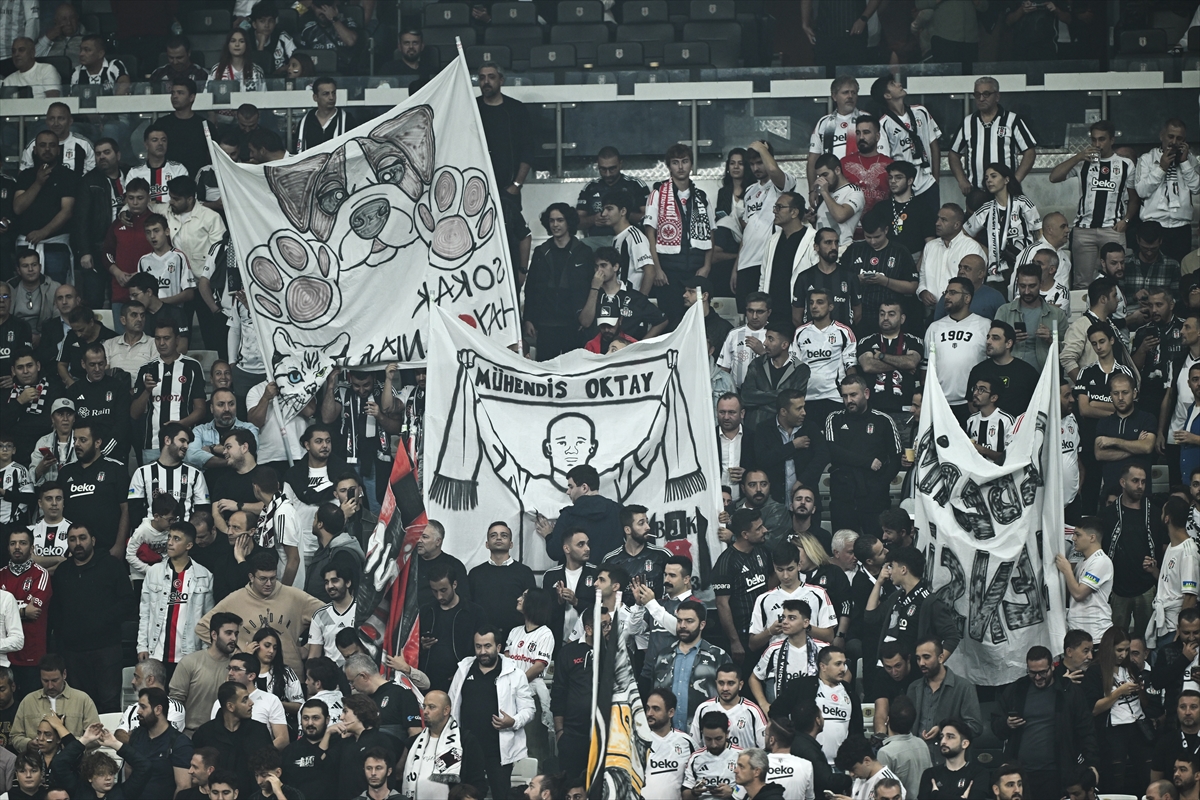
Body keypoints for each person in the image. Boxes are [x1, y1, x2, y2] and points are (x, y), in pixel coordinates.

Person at [992, 645, 1099, 799]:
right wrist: (1006, 724)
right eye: (1032, 673)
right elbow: (996, 724)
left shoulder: (1068, 691)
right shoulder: (1017, 689)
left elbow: (1086, 729)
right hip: (1021, 773)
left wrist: (1091, 763)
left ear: (1053, 667)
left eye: (1042, 672)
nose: (1037, 677)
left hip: (1058, 772)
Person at [49, 520, 133, 712]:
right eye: (72, 539)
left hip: (106, 649)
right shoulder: (62, 571)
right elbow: (56, 611)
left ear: (93, 540)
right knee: (78, 705)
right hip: (73, 652)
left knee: (108, 703)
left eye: (82, 538)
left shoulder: (111, 565)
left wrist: (102, 621)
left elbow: (127, 602)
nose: (78, 543)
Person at [447, 628, 535, 800]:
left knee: (501, 795)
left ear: (498, 647)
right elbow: (451, 703)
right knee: (464, 795)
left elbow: (529, 709)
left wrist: (513, 721)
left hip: (498, 750)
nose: (482, 651)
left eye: (487, 646)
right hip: (466, 747)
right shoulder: (464, 669)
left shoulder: (515, 673)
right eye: (478, 646)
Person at [1049, 120, 1138, 284]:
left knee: (1116, 278)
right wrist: (1078, 156)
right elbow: (1054, 177)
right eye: (1094, 139)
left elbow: (1134, 198)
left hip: (1112, 229)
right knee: (1082, 281)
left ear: (1112, 140)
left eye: (1102, 139)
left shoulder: (1126, 165)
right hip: (1084, 230)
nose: (1097, 144)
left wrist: (1126, 221)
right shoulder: (1083, 162)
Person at [645, 143, 715, 326]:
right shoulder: (657, 194)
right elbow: (650, 233)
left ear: (691, 164)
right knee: (672, 321)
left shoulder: (701, 197)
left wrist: (707, 266)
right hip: (668, 272)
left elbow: (710, 232)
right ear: (669, 166)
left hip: (696, 269)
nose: (681, 167)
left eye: (685, 161)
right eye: (675, 162)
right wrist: (657, 269)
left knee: (697, 322)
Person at [476, 61, 534, 277]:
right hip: (478, 192)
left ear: (501, 80)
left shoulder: (516, 109)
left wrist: (516, 185)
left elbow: (527, 150)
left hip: (508, 191)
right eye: (482, 77)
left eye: (491, 77)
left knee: (510, 243)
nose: (486, 82)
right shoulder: (472, 108)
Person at [825, 374, 901, 536]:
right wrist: (867, 462)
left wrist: (880, 485)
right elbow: (832, 451)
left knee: (876, 544)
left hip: (875, 498)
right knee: (843, 545)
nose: (849, 400)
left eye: (853, 395)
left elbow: (896, 458)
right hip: (843, 496)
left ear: (866, 393)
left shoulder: (884, 421)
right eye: (845, 396)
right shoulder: (834, 419)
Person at [137, 521, 214, 681]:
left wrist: (206, 653)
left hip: (188, 654)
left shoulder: (204, 576)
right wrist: (142, 646)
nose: (170, 542)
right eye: (169, 537)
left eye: (176, 539)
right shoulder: (154, 572)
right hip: (156, 652)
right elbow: (145, 613)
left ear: (189, 545)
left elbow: (207, 619)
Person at [1080, 626, 1150, 795]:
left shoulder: (1130, 667)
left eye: (1126, 650)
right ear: (1108, 648)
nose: (1123, 654)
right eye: (1119, 650)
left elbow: (1146, 702)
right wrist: (1119, 692)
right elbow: (1093, 709)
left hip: (1138, 725)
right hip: (1113, 730)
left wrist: (1140, 689)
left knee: (1145, 775)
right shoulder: (1095, 671)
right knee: (1116, 780)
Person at [522, 203, 593, 360]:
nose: (555, 225)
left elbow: (591, 288)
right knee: (546, 369)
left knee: (574, 368)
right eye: (551, 220)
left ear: (569, 222)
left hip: (574, 324)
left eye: (560, 220)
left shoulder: (584, 252)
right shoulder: (541, 251)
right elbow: (530, 288)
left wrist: (586, 318)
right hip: (545, 324)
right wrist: (528, 319)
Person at [866, 546, 960, 662]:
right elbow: (871, 617)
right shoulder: (896, 597)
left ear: (903, 570)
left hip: (914, 669)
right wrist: (878, 583)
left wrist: (934, 664)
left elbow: (952, 637)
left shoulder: (930, 602)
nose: (889, 572)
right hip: (889, 667)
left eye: (892, 567)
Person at [131, 322, 206, 463]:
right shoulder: (146, 369)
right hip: (153, 443)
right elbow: (134, 413)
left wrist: (179, 425)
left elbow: (201, 409)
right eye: (158, 338)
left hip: (185, 443)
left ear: (177, 339)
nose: (161, 343)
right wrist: (147, 391)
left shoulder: (192, 367)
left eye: (166, 338)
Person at [948, 77, 1037, 195]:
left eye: (986, 94)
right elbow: (953, 154)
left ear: (997, 96)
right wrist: (962, 180)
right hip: (977, 191)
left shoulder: (1012, 120)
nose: (981, 99)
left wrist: (1015, 180)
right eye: (977, 94)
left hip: (1006, 191)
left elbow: (1029, 152)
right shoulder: (968, 122)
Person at [14, 131, 79, 286]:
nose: (47, 149)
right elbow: (17, 207)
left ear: (58, 150)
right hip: (26, 247)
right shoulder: (25, 176)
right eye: (43, 145)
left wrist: (43, 233)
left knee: (56, 291)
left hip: (55, 246)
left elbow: (67, 211)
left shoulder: (68, 176)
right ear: (35, 149)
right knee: (26, 291)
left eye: (52, 145)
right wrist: (38, 183)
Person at [653, 600, 728, 733]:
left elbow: (729, 697)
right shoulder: (663, 656)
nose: (682, 625)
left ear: (702, 625)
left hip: (706, 734)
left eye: (689, 621)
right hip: (667, 734)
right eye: (679, 621)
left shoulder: (717, 656)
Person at [964, 163, 1042, 290]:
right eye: (986, 178)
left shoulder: (1023, 203)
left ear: (1006, 180)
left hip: (1024, 265)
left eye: (993, 176)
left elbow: (1038, 232)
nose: (989, 180)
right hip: (996, 270)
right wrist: (984, 250)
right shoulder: (986, 209)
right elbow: (964, 233)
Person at [923, 277, 991, 422]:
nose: (947, 297)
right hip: (940, 402)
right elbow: (926, 367)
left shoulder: (985, 326)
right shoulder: (934, 328)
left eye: (953, 293)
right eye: (946, 292)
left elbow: (991, 366)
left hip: (973, 403)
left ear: (967, 298)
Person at [192, 682, 277, 797]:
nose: (251, 703)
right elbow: (197, 771)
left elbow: (270, 767)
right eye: (245, 700)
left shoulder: (259, 731)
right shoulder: (205, 733)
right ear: (230, 707)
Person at [712, 509, 774, 665]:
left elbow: (772, 579)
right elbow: (722, 604)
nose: (765, 530)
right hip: (742, 635)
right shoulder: (726, 563)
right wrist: (734, 641)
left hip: (766, 629)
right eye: (759, 528)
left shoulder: (763, 552)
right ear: (745, 534)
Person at [400, 690, 487, 800]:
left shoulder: (465, 741)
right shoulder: (412, 742)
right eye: (424, 706)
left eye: (431, 707)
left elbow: (477, 781)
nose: (425, 711)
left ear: (446, 710)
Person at [907, 638, 983, 761]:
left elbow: (975, 727)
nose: (921, 663)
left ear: (941, 657)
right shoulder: (914, 688)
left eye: (926, 657)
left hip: (951, 760)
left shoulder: (963, 687)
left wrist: (944, 729)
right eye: (918, 658)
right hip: (919, 759)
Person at [748, 598, 828, 715]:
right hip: (784, 714)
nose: (784, 622)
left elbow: (845, 674)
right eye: (783, 617)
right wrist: (764, 704)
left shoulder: (822, 648)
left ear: (806, 623)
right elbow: (754, 678)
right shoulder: (773, 649)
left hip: (815, 713)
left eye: (792, 618)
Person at [752, 391, 827, 515]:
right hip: (774, 503)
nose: (804, 412)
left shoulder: (810, 428)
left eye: (804, 407)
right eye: (798, 409)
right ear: (783, 411)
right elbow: (763, 459)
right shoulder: (764, 429)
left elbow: (823, 456)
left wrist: (802, 481)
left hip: (807, 502)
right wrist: (792, 446)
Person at [9, 653, 100, 752]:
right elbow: (15, 736)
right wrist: (28, 744)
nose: (50, 686)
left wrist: (70, 743)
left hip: (74, 760)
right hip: (37, 759)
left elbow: (97, 738)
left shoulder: (82, 700)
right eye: (45, 681)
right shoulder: (28, 701)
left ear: (64, 674)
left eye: (54, 680)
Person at [169, 610, 240, 736]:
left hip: (225, 737)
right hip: (190, 734)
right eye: (228, 633)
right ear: (214, 635)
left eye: (236, 634)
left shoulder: (237, 668)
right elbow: (175, 704)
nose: (233, 638)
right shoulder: (190, 662)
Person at [1136, 119, 1199, 262]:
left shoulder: (1190, 160)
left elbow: (1196, 188)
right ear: (1161, 136)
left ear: (1184, 140)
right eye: (1170, 136)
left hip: (1181, 226)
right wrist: (1161, 168)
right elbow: (1141, 191)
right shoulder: (1147, 159)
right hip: (1153, 224)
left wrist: (1184, 163)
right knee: (1153, 267)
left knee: (1180, 268)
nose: (1174, 142)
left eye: (1179, 138)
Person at [0, 525, 51, 695]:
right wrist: (22, 611)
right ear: (8, 547)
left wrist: (6, 610)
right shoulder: (1, 575)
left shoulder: (40, 574)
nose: (17, 547)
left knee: (30, 703)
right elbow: (27, 611)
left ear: (32, 547)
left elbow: (34, 610)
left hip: (31, 653)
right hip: (4, 655)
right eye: (13, 543)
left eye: (22, 543)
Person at [995, 263, 1070, 370]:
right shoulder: (1004, 311)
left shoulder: (1056, 314)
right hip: (1011, 372)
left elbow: (1067, 350)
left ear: (1041, 284)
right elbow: (993, 346)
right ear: (1017, 284)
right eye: (1022, 286)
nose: (1026, 291)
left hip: (1045, 373)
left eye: (1032, 286)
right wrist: (1009, 340)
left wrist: (1051, 340)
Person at [741, 318, 811, 431]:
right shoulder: (757, 364)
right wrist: (781, 397)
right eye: (766, 338)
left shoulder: (800, 370)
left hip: (784, 432)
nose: (764, 343)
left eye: (770, 339)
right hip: (755, 429)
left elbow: (793, 404)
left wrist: (760, 403)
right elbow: (746, 397)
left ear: (784, 345)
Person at [125, 686, 193, 799]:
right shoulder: (136, 735)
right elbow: (129, 768)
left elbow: (183, 786)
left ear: (158, 709)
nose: (138, 711)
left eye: (143, 707)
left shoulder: (179, 743)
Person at [1054, 518, 1114, 644]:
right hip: (1078, 631)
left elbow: (1079, 594)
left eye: (1078, 535)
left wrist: (1067, 570)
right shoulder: (1083, 562)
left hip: (1095, 633)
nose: (1073, 538)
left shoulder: (1101, 561)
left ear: (1092, 538)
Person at [575, 147, 649, 251]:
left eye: (612, 169)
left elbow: (649, 218)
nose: (608, 174)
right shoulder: (590, 188)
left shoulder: (635, 185)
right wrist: (593, 219)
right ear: (598, 166)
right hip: (598, 240)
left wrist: (622, 215)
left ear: (620, 164)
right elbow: (576, 222)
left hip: (629, 238)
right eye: (603, 169)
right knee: (577, 247)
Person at [806, 77, 875, 187]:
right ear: (834, 96)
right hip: (831, 185)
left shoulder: (867, 119)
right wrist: (812, 190)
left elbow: (880, 154)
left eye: (853, 92)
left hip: (862, 184)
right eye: (845, 92)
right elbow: (813, 159)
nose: (850, 96)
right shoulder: (824, 122)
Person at [919, 204, 987, 313]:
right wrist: (922, 291)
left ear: (956, 225)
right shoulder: (930, 246)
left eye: (943, 220)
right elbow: (922, 275)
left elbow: (976, 281)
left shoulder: (971, 247)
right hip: (932, 311)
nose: (937, 223)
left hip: (961, 311)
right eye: (938, 218)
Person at [281, 698, 340, 800]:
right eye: (306, 718)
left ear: (327, 720)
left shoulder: (338, 745)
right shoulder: (289, 751)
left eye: (315, 718)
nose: (310, 723)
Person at [917, 718, 990, 799]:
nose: (943, 741)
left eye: (950, 737)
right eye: (942, 736)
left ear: (964, 744)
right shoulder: (930, 774)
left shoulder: (979, 774)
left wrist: (936, 795)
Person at [642, 687, 693, 800]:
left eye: (656, 709)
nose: (649, 713)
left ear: (671, 712)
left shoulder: (686, 742)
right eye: (648, 708)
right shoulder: (638, 740)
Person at [839, 116, 894, 217]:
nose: (861, 137)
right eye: (858, 133)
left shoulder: (890, 164)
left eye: (866, 132)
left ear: (877, 137)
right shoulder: (844, 163)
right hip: (850, 222)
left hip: (881, 222)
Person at [808, 155, 865, 251]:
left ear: (837, 170)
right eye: (819, 176)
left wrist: (824, 192)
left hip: (841, 249)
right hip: (821, 251)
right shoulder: (826, 193)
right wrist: (813, 221)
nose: (822, 180)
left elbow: (840, 216)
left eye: (825, 175)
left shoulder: (853, 192)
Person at [681, 710, 741, 800]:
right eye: (708, 739)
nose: (713, 745)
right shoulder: (695, 758)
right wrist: (694, 792)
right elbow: (685, 795)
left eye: (718, 739)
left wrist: (733, 792)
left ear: (727, 734)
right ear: (702, 734)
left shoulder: (741, 755)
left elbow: (751, 788)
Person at [298, 0, 364, 75]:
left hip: (343, 71)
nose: (324, 12)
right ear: (313, 7)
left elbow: (350, 41)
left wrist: (334, 19)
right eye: (320, 7)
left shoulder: (347, 21)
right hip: (317, 71)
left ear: (334, 7)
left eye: (327, 7)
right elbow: (302, 58)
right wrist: (302, 5)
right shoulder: (308, 29)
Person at [125, 127, 188, 205]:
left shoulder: (178, 169)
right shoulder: (134, 172)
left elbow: (186, 200)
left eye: (163, 140)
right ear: (146, 145)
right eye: (155, 140)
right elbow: (128, 201)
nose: (160, 143)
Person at [964, 377, 1015, 464]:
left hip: (998, 471)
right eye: (975, 388)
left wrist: (983, 450)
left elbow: (1011, 456)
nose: (975, 393)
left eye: (981, 390)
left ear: (993, 398)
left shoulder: (1006, 420)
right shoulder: (971, 420)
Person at [295, 77, 350, 153]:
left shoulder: (347, 120)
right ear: (315, 97)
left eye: (333, 93)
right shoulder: (305, 122)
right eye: (326, 94)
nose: (331, 97)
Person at [248, 2, 297, 76]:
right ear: (254, 24)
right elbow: (256, 72)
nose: (267, 25)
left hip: (281, 78)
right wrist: (261, 45)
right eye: (262, 21)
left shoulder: (282, 37)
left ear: (275, 23)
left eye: (270, 21)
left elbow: (297, 61)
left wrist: (281, 70)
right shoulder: (246, 38)